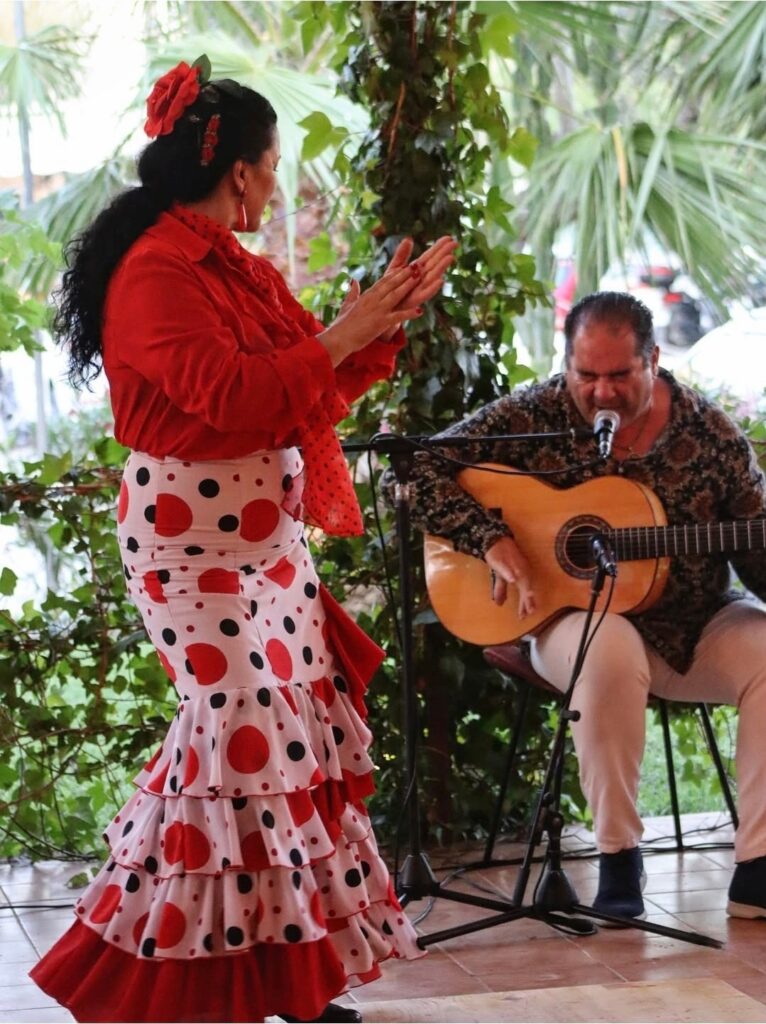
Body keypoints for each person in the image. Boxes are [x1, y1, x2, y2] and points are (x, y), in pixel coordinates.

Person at [30, 57, 457, 1024]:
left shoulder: (236, 267)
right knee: (237, 731)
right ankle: (153, 974)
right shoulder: (155, 272)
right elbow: (234, 396)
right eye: (273, 166)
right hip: (189, 553)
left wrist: (378, 321)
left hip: (270, 554)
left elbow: (309, 384)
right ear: (241, 171)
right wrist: (343, 332)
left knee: (280, 753)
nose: (275, 183)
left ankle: (284, 981)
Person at [402, 290, 766, 921]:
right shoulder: (535, 413)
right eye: (586, 375)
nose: (602, 393)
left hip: (693, 624)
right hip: (565, 620)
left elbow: (756, 554)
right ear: (566, 363)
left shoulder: (711, 436)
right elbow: (415, 469)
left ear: (654, 360)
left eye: (620, 376)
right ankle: (619, 855)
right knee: (609, 645)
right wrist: (490, 539)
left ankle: (759, 865)